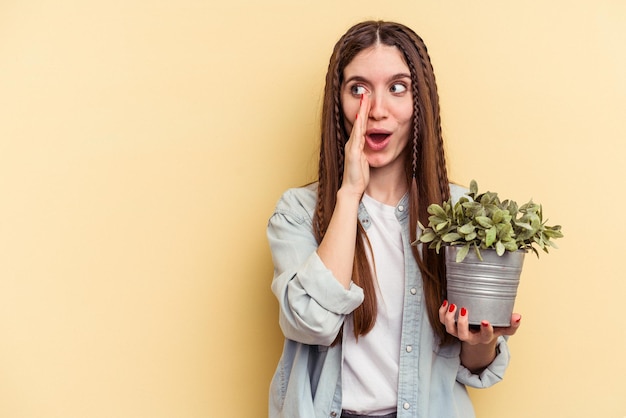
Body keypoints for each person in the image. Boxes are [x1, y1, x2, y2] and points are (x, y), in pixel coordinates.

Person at [267, 20, 521, 418]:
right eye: (359, 89)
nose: (377, 110)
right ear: (340, 103)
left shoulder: (460, 214)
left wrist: (481, 340)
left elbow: (475, 366)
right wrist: (349, 194)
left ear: (419, 101)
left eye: (397, 87)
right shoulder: (298, 212)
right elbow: (311, 324)